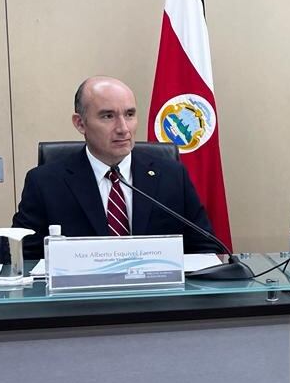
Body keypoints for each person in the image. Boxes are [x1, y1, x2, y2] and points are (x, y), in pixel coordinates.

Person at [12, 76, 224, 260]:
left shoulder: (172, 176)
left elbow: (205, 248)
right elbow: (25, 257)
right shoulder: (45, 182)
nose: (123, 128)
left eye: (130, 114)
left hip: (158, 300)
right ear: (80, 124)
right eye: (108, 116)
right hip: (79, 303)